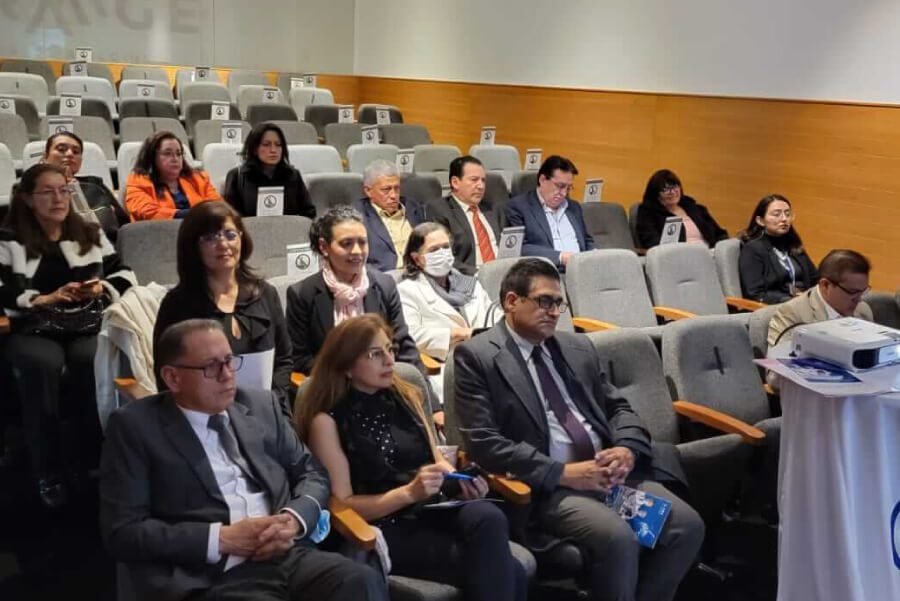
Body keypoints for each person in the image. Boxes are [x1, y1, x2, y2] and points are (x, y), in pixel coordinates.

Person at [453, 258, 705, 601]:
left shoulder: (576, 348)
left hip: (609, 477)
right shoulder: (477, 357)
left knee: (686, 526)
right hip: (549, 488)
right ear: (512, 301)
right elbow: (484, 443)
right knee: (617, 537)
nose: (554, 312)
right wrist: (562, 473)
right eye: (544, 301)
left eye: (559, 303)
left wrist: (627, 449)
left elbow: (619, 409)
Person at [100, 319, 387, 601]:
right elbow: (123, 531)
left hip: (286, 555)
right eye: (211, 366)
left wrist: (293, 519)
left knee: (359, 580)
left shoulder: (260, 405)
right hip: (210, 575)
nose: (227, 375)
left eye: (229, 361)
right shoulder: (136, 428)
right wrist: (222, 538)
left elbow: (312, 472)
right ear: (173, 377)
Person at [296, 314, 526, 601]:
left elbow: (436, 461)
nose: (389, 360)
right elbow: (344, 504)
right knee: (512, 571)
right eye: (375, 354)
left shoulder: (406, 396)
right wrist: (409, 493)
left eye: (390, 349)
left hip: (431, 508)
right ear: (347, 366)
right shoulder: (327, 422)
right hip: (384, 525)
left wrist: (460, 483)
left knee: (488, 514)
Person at [0, 163, 136, 508]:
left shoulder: (88, 231)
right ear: (28, 199)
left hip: (83, 322)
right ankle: (47, 470)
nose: (58, 198)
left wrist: (101, 288)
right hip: (33, 325)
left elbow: (125, 274)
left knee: (92, 360)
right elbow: (3, 291)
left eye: (63, 190)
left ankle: (92, 460)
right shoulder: (9, 239)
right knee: (42, 365)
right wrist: (42, 299)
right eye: (47, 192)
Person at [153, 201, 293, 417]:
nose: (223, 244)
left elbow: (283, 359)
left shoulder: (266, 293)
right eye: (210, 238)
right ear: (193, 247)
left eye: (230, 234)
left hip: (267, 413)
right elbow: (168, 376)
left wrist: (273, 405)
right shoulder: (177, 305)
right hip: (205, 418)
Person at [285, 205, 421, 376]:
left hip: (384, 379)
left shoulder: (384, 285)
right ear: (324, 247)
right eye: (346, 244)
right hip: (333, 383)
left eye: (362, 242)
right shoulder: (302, 294)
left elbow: (402, 344)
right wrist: (353, 373)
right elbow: (300, 359)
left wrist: (420, 383)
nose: (357, 251)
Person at [397, 222, 501, 399]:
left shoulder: (470, 283)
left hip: (489, 357)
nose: (442, 253)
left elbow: (496, 316)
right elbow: (411, 335)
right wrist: (458, 334)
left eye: (445, 247)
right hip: (446, 365)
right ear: (417, 258)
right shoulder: (407, 290)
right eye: (434, 250)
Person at [767, 249, 874, 348]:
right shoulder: (791, 315)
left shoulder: (863, 310)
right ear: (825, 285)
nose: (859, 299)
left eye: (863, 291)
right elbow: (778, 361)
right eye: (852, 292)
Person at [504, 155, 595, 270]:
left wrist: (595, 253)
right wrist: (560, 257)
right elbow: (519, 247)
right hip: (547, 272)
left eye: (568, 188)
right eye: (560, 186)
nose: (564, 193)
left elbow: (587, 240)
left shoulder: (574, 207)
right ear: (542, 180)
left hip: (581, 269)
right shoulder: (518, 207)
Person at [40, 131, 128, 241]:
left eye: (76, 152)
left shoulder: (95, 185)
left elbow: (124, 224)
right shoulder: (31, 188)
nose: (70, 154)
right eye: (61, 149)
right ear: (45, 157)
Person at [424, 156, 502, 275]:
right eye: (474, 180)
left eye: (483, 180)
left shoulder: (493, 209)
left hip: (505, 274)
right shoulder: (440, 210)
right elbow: (443, 257)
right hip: (470, 276)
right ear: (455, 182)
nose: (481, 186)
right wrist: (479, 274)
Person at [222, 122, 315, 219]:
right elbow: (230, 217)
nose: (273, 150)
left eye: (278, 145)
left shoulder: (293, 175)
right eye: (266, 145)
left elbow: (308, 212)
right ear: (254, 149)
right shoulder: (237, 176)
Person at [739, 194, 819, 304]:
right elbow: (755, 294)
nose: (784, 219)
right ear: (760, 220)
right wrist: (790, 300)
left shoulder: (793, 244)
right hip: (777, 307)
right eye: (776, 214)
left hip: (804, 302)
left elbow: (815, 279)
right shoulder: (753, 249)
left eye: (788, 214)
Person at [125, 130, 220, 220]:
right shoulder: (137, 182)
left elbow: (218, 208)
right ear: (152, 157)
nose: (175, 158)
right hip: (158, 230)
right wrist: (192, 216)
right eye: (167, 153)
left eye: (179, 154)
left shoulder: (200, 178)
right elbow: (147, 213)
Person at [353, 159, 426, 271]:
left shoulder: (414, 208)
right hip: (383, 276)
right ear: (368, 191)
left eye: (397, 188)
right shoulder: (356, 216)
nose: (393, 195)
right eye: (386, 189)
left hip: (419, 271)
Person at [635, 169, 727, 249]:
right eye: (665, 189)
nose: (672, 192)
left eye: (675, 187)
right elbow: (652, 243)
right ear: (655, 193)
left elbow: (719, 234)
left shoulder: (695, 208)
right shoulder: (648, 213)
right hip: (679, 256)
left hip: (709, 252)